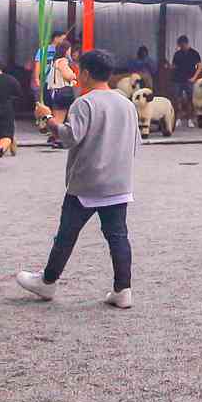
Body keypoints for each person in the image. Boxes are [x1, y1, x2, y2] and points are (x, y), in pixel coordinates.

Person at [16, 48, 140, 309]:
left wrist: (48, 118)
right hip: (119, 182)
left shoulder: (85, 103)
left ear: (84, 73)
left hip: (87, 182)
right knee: (118, 236)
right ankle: (123, 289)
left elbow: (69, 137)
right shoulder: (127, 103)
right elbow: (135, 143)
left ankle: (48, 282)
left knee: (66, 235)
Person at [170, 35, 202, 127]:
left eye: (181, 45)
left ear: (185, 43)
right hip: (177, 79)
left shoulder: (194, 53)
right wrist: (169, 67)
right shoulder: (177, 54)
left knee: (190, 100)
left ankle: (190, 119)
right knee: (178, 99)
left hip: (189, 79)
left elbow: (200, 67)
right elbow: (174, 66)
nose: (181, 47)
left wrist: (194, 78)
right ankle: (178, 118)